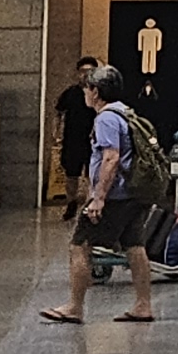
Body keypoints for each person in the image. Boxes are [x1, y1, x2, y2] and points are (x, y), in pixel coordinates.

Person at [46, 61, 161, 325]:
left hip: (114, 196)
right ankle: (143, 305)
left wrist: (98, 198)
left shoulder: (106, 119)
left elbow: (111, 158)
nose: (85, 93)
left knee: (79, 246)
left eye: (87, 88)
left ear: (96, 92)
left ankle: (75, 307)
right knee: (135, 246)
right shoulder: (125, 112)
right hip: (133, 194)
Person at [49, 67, 97, 208]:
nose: (86, 74)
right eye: (83, 71)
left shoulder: (98, 93)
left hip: (92, 139)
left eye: (90, 70)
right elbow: (58, 113)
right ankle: (71, 202)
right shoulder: (70, 93)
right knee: (71, 172)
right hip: (72, 138)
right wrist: (56, 132)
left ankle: (89, 202)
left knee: (91, 172)